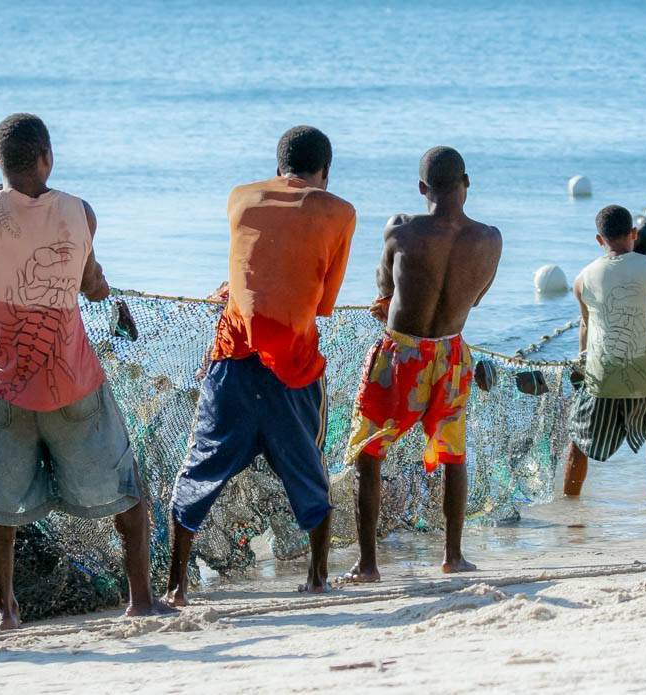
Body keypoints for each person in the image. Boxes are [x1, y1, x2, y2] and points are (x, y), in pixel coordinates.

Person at [0, 113, 171, 628]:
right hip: (73, 384)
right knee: (128, 490)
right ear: (47, 159)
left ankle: (6, 610)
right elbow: (89, 282)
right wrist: (98, 285)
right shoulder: (81, 212)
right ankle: (141, 599)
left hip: (5, 388)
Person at [165, 125, 356, 604]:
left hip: (232, 361)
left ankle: (177, 587)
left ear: (277, 169)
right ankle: (316, 576)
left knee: (199, 471)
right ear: (325, 174)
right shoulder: (340, 213)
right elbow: (323, 302)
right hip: (291, 368)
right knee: (310, 470)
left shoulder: (239, 198)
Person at [342, 146, 502, 582]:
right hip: (451, 355)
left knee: (370, 454)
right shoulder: (490, 239)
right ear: (466, 184)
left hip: (403, 354)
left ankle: (369, 564)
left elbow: (383, 288)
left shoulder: (401, 229)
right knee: (453, 454)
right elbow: (477, 296)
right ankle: (453, 555)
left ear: (421, 189)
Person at [563, 205, 646, 496]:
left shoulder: (582, 279)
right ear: (633, 234)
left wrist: (581, 363)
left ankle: (571, 508)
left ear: (599, 239)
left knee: (578, 440)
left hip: (604, 377)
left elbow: (586, 327)